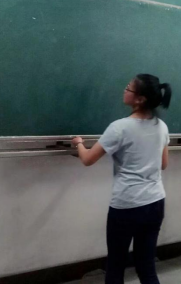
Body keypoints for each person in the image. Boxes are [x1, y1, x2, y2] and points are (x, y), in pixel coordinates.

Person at [72, 74, 172, 284]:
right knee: (146, 267)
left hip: (127, 205)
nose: (124, 90)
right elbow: (163, 164)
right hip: (155, 202)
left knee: (116, 267)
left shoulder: (119, 127)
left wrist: (79, 143)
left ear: (140, 99)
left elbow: (88, 159)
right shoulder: (161, 126)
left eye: (128, 88)